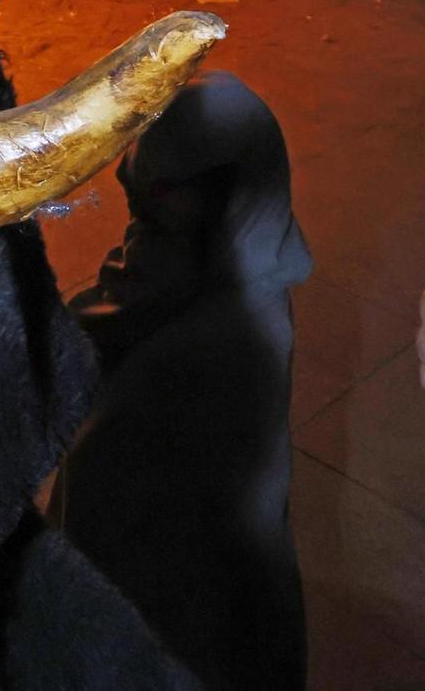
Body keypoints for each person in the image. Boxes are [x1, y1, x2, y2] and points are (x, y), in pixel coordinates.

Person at [53, 72, 312, 691]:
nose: (141, 225)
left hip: (171, 618)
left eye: (162, 200)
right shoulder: (200, 262)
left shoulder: (226, 340)